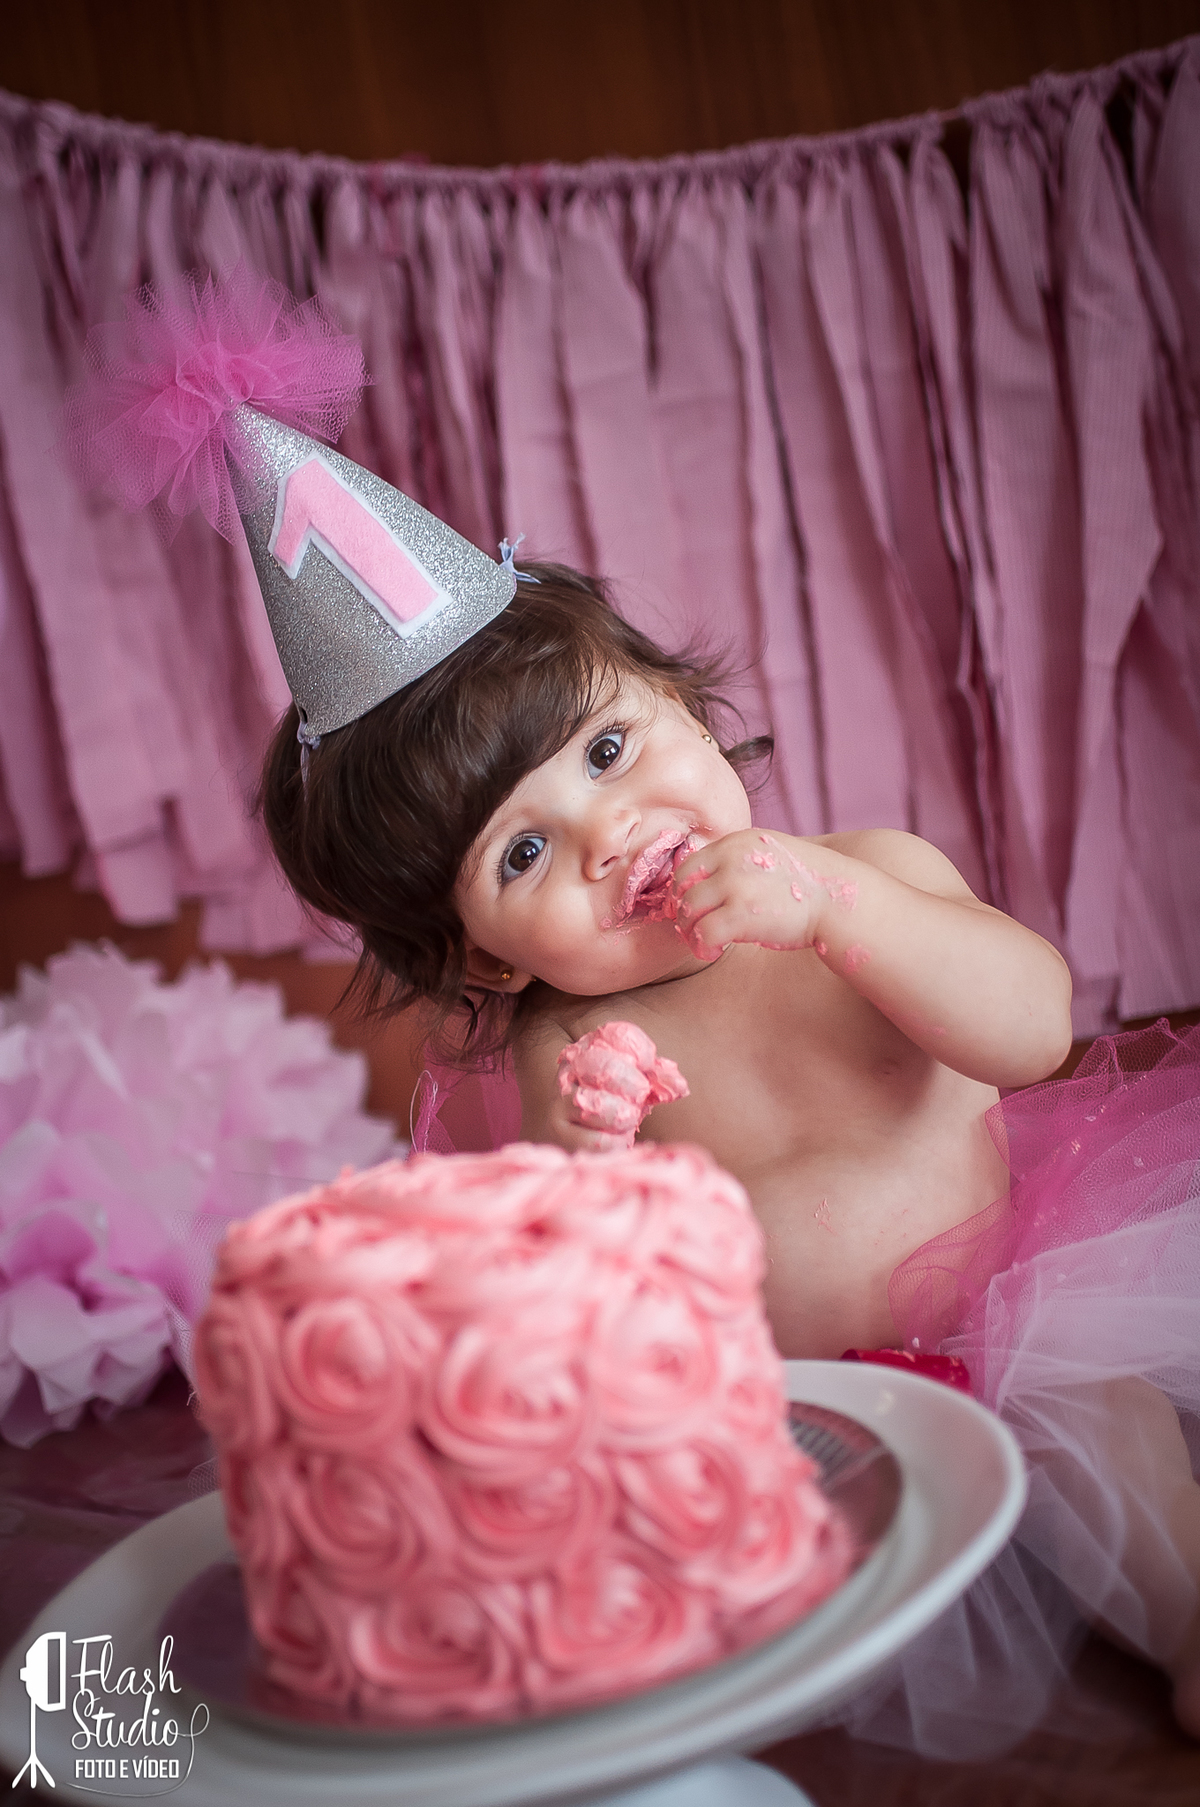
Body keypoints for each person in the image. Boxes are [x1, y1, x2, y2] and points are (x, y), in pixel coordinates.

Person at [263, 562, 1200, 1758]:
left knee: (1117, 1456)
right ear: (485, 961)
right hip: (789, 1407)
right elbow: (591, 1281)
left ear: (682, 703)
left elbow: (1031, 1032)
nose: (608, 835)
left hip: (1008, 1316)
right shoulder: (570, 1047)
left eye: (606, 752)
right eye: (524, 853)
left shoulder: (872, 875)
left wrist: (840, 914)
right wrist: (590, 1153)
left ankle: (1188, 1622)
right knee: (673, 1583)